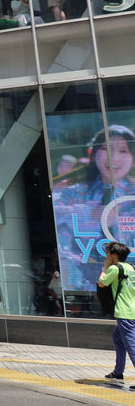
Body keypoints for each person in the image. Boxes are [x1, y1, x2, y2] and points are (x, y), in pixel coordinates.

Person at [54, 125, 135, 291]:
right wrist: (89, 213)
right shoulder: (72, 193)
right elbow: (62, 239)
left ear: (133, 158)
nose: (113, 158)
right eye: (106, 149)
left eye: (123, 151)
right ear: (93, 154)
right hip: (85, 286)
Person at [99, 242, 135, 385]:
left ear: (113, 255)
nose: (106, 256)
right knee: (118, 339)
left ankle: (119, 371)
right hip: (132, 310)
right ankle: (118, 372)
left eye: (108, 253)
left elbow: (101, 283)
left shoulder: (114, 268)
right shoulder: (131, 268)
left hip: (124, 312)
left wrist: (105, 266)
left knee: (132, 345)